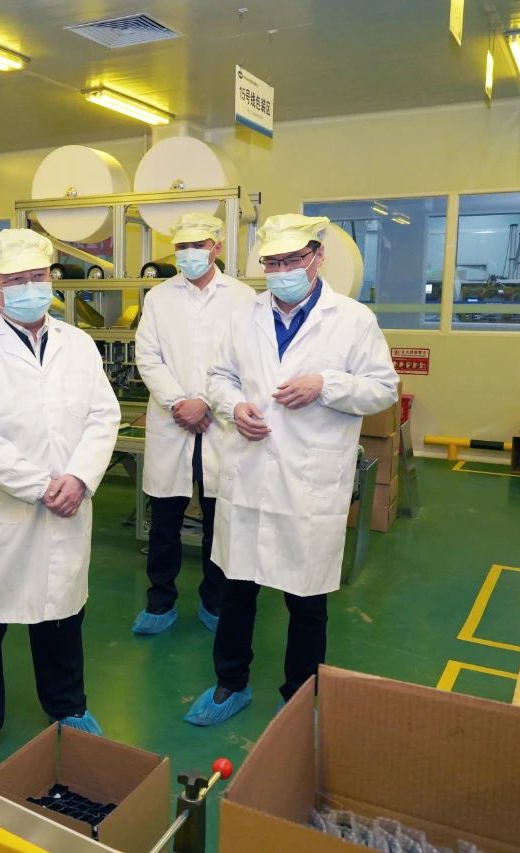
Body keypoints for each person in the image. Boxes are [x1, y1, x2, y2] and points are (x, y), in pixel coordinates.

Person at [185, 214, 398, 725]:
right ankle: (230, 683)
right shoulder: (244, 315)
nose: (281, 272)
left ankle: (300, 693)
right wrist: (233, 407)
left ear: (318, 257)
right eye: (272, 263)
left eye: (292, 260)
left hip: (309, 481)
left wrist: (326, 384)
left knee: (306, 600)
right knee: (238, 588)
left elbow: (383, 388)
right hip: (249, 472)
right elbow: (219, 376)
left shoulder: (352, 320)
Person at [0, 229, 120, 779]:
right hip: (2, 511)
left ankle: (67, 705)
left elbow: (104, 415)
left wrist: (81, 477)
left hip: (69, 500)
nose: (29, 288)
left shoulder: (78, 344)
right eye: (16, 279)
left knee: (62, 612)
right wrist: (42, 485)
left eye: (38, 277)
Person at [132, 212, 255, 636]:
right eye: (182, 247)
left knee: (219, 519)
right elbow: (148, 356)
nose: (189, 254)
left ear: (216, 247)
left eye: (197, 246)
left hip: (221, 422)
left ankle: (214, 600)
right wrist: (178, 402)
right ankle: (160, 601)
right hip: (174, 420)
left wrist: (205, 402)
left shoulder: (242, 297)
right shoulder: (159, 297)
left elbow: (246, 358)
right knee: (164, 520)